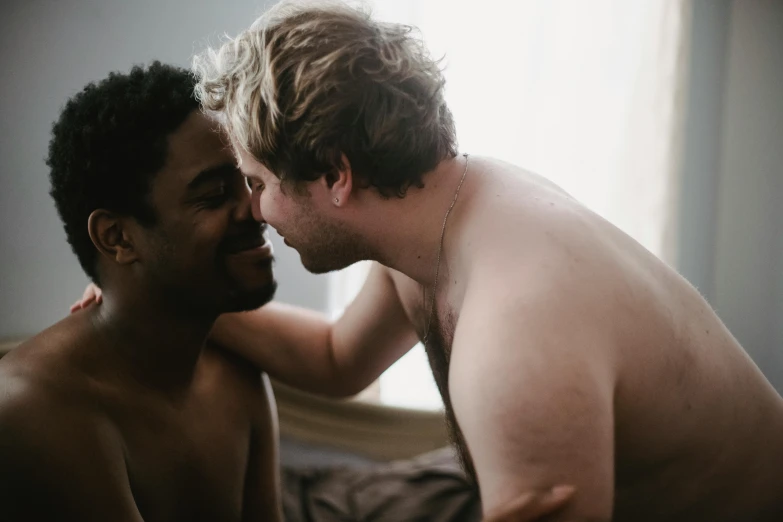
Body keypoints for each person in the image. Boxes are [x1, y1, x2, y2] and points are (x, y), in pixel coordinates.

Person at [186, 2, 783, 521]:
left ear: (336, 176)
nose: (256, 211)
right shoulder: (435, 214)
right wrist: (173, 304)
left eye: (257, 182)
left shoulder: (517, 336)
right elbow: (338, 358)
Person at [0, 62, 283, 522]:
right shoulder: (35, 409)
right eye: (213, 195)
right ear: (118, 237)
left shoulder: (239, 374)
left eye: (251, 183)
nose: (259, 208)